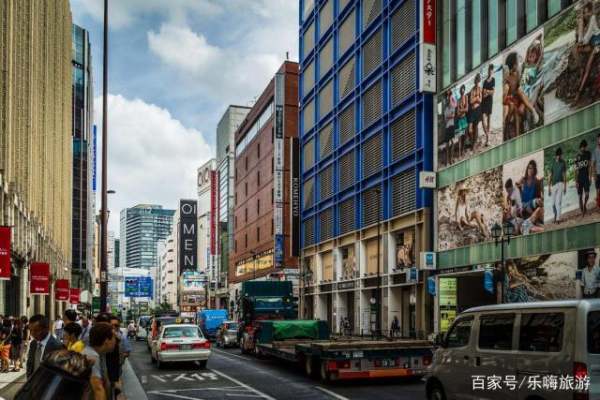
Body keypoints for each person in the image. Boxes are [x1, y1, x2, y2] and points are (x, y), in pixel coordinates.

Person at [503, 51, 540, 139]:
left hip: (519, 99)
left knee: (521, 94)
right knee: (518, 110)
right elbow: (504, 98)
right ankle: (518, 135)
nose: (519, 64)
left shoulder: (518, 74)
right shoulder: (508, 79)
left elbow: (520, 90)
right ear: (514, 65)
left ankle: (532, 112)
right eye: (517, 62)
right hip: (511, 101)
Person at [82, 323, 116, 400]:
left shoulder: (90, 352)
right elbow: (98, 389)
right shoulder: (92, 356)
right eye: (114, 338)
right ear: (106, 341)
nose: (115, 341)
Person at [548, 147, 568, 224]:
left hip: (560, 184)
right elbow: (550, 175)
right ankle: (556, 215)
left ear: (561, 155)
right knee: (553, 204)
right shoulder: (552, 162)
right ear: (555, 155)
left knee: (558, 202)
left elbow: (564, 175)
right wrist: (549, 188)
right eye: (557, 155)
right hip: (553, 185)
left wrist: (565, 187)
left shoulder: (563, 163)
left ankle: (558, 219)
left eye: (560, 155)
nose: (559, 157)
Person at [575, 139, 593, 217]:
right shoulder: (577, 156)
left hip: (586, 177)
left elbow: (590, 166)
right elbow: (575, 170)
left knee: (587, 194)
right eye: (581, 147)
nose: (583, 148)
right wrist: (576, 181)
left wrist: (590, 177)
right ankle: (582, 211)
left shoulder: (588, 154)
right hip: (579, 178)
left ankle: (585, 205)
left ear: (585, 147)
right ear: (580, 147)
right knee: (579, 197)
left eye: (584, 147)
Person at [481, 64, 496, 146]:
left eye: (491, 70)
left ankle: (487, 140)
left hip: (490, 101)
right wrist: (487, 92)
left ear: (493, 71)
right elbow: (483, 93)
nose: (490, 71)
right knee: (483, 120)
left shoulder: (493, 80)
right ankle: (487, 135)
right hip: (484, 101)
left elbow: (493, 92)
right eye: (489, 70)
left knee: (489, 120)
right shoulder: (485, 81)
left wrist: (487, 91)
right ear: (488, 71)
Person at [468, 73, 483, 148]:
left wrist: (476, 99)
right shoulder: (472, 90)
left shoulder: (480, 89)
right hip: (472, 111)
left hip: (477, 110)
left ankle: (474, 143)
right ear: (475, 81)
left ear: (479, 81)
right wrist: (476, 98)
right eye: (476, 80)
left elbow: (480, 100)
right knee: (470, 128)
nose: (477, 82)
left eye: (478, 80)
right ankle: (472, 141)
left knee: (475, 127)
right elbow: (470, 101)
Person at [455, 84, 469, 156]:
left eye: (462, 89)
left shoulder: (466, 97)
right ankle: (460, 152)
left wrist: (461, 110)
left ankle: (463, 149)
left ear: (464, 90)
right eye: (460, 89)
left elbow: (467, 109)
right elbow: (457, 113)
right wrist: (461, 110)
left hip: (464, 118)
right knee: (460, 137)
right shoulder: (458, 100)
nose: (461, 90)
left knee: (465, 135)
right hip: (460, 119)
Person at [592, 134, 600, 209]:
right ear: (597, 140)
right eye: (598, 139)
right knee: (597, 190)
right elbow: (593, 164)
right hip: (597, 173)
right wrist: (594, 175)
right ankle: (598, 205)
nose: (599, 141)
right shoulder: (594, 151)